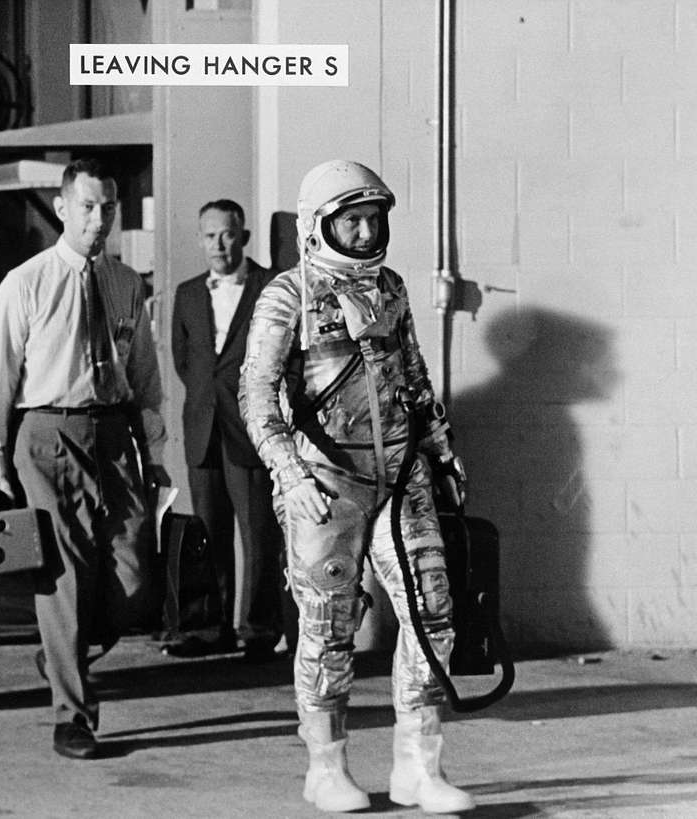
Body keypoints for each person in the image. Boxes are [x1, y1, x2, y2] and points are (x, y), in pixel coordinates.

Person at [239, 160, 475, 813]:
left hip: (400, 474)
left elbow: (415, 380)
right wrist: (289, 473)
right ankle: (326, 766)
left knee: (433, 614)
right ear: (323, 225)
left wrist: (442, 452)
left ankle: (418, 765)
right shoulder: (287, 296)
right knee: (327, 626)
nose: (368, 231)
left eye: (375, 218)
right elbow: (256, 396)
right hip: (326, 480)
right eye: (354, 219)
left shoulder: (392, 290)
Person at [0, 157, 167, 760]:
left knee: (134, 575)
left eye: (107, 206)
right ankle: (73, 716)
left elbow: (146, 378)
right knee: (63, 577)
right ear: (62, 208)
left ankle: (67, 648)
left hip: (113, 435)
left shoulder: (126, 283)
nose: (99, 217)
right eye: (87, 205)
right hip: (46, 434)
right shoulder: (26, 282)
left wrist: (155, 455)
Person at [168, 199, 282, 662]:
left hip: (250, 429)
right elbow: (185, 361)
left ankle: (258, 629)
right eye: (210, 235)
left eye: (228, 234)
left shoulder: (270, 286)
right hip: (203, 426)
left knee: (258, 535)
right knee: (208, 533)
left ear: (245, 237)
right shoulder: (188, 293)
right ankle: (210, 628)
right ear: (200, 239)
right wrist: (207, 400)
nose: (219, 244)